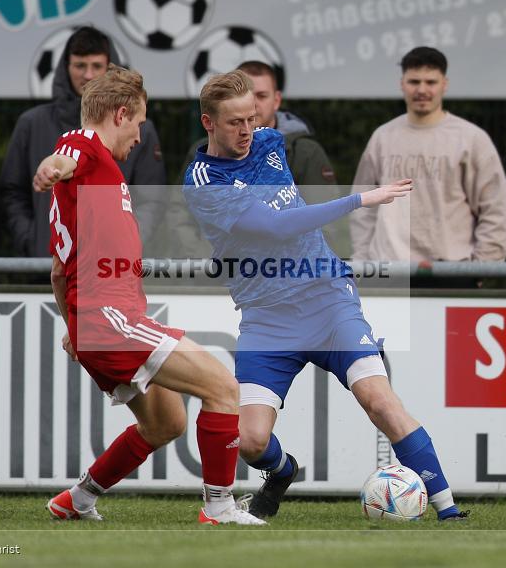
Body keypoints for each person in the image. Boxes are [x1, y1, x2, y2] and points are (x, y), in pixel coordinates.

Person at [181, 71, 468, 521]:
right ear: (208, 122)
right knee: (252, 440)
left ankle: (449, 511)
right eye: (235, 122)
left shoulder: (270, 142)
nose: (246, 131)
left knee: (379, 399)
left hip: (328, 298)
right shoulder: (202, 180)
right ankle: (282, 470)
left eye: (252, 119)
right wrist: (362, 199)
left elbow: (288, 213)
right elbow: (276, 226)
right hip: (267, 317)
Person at [33, 65, 263, 526]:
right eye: (138, 124)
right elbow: (65, 156)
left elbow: (60, 272)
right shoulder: (86, 149)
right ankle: (219, 508)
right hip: (111, 318)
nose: (139, 137)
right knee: (223, 387)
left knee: (166, 423)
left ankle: (75, 500)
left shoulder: (97, 175)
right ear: (120, 115)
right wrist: (51, 167)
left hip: (97, 321)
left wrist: (72, 328)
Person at [1, 26, 166, 258]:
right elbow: (66, 159)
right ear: (65, 68)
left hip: (110, 266)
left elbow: (152, 199)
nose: (88, 75)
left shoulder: (139, 130)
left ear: (110, 69)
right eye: (80, 65)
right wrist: (32, 239)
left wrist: (128, 246)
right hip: (48, 267)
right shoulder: (35, 124)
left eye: (96, 66)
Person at [350, 47, 506, 276]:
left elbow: (495, 209)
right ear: (402, 84)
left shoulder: (471, 139)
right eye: (414, 81)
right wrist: (363, 262)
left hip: (451, 271)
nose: (422, 90)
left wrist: (482, 268)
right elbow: (363, 205)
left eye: (430, 82)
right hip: (388, 270)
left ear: (444, 84)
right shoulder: (383, 138)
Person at [163, 60, 348, 259]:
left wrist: (298, 266)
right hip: (217, 276)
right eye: (244, 96)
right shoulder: (205, 155)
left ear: (277, 100)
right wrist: (206, 262)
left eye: (261, 95)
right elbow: (179, 213)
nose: (254, 103)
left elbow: (324, 220)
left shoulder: (305, 152)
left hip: (288, 275)